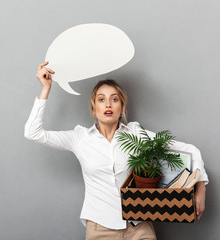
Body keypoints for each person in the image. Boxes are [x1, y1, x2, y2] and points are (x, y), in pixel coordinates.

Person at [24, 62, 209, 240]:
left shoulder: (137, 134)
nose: (108, 104)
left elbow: (189, 149)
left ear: (121, 108)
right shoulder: (80, 138)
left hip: (140, 227)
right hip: (99, 229)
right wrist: (45, 88)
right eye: (101, 99)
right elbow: (33, 133)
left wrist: (200, 187)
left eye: (114, 99)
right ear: (94, 108)